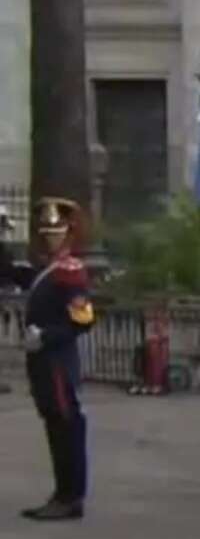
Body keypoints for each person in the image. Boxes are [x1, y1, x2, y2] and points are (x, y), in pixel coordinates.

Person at [6, 197, 94, 520]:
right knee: (55, 425)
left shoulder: (70, 272)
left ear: (68, 233)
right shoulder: (48, 271)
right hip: (43, 361)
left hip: (57, 360)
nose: (49, 238)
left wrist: (46, 336)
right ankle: (63, 492)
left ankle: (71, 496)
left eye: (55, 232)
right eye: (45, 232)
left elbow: (83, 320)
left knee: (66, 424)